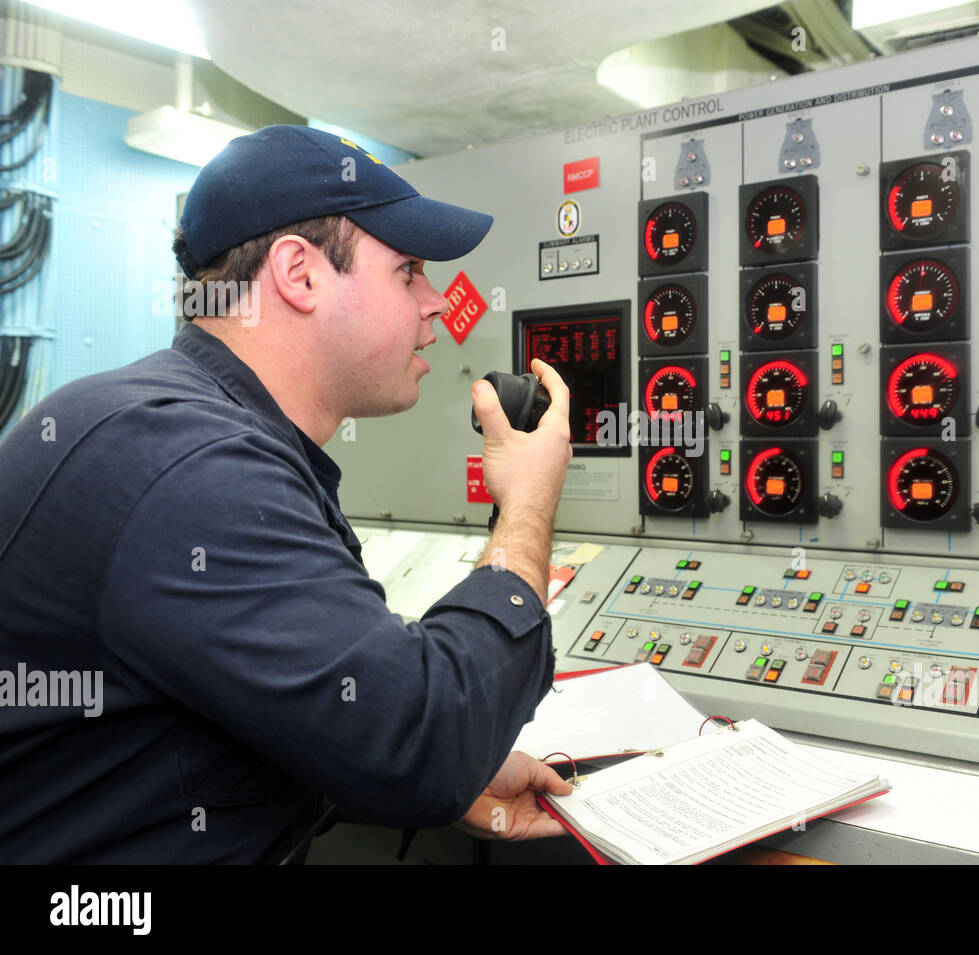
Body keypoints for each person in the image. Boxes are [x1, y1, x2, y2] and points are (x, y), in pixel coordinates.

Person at [0, 125, 574, 862]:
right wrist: (527, 503)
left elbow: (264, 707)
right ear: (298, 274)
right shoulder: (192, 465)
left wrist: (452, 772)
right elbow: (423, 738)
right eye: (407, 273)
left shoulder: (177, 427)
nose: (437, 303)